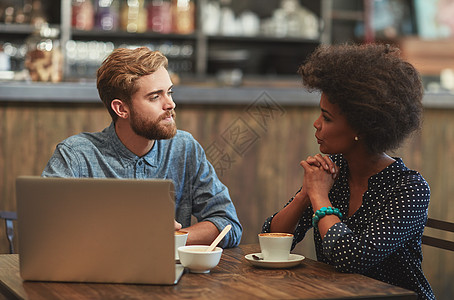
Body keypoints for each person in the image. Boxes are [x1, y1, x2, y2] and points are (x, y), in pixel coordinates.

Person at [262, 43, 434, 300]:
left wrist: (320, 196)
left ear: (362, 128)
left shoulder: (409, 189)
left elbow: (351, 258)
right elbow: (271, 238)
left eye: (327, 118)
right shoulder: (333, 172)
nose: (316, 124)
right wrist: (305, 194)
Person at [42, 47, 242, 248]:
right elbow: (45, 228)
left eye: (169, 93)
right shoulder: (75, 155)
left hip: (172, 277)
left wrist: (169, 238)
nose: (170, 104)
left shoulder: (184, 148)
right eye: (155, 97)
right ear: (121, 109)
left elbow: (228, 224)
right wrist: (134, 233)